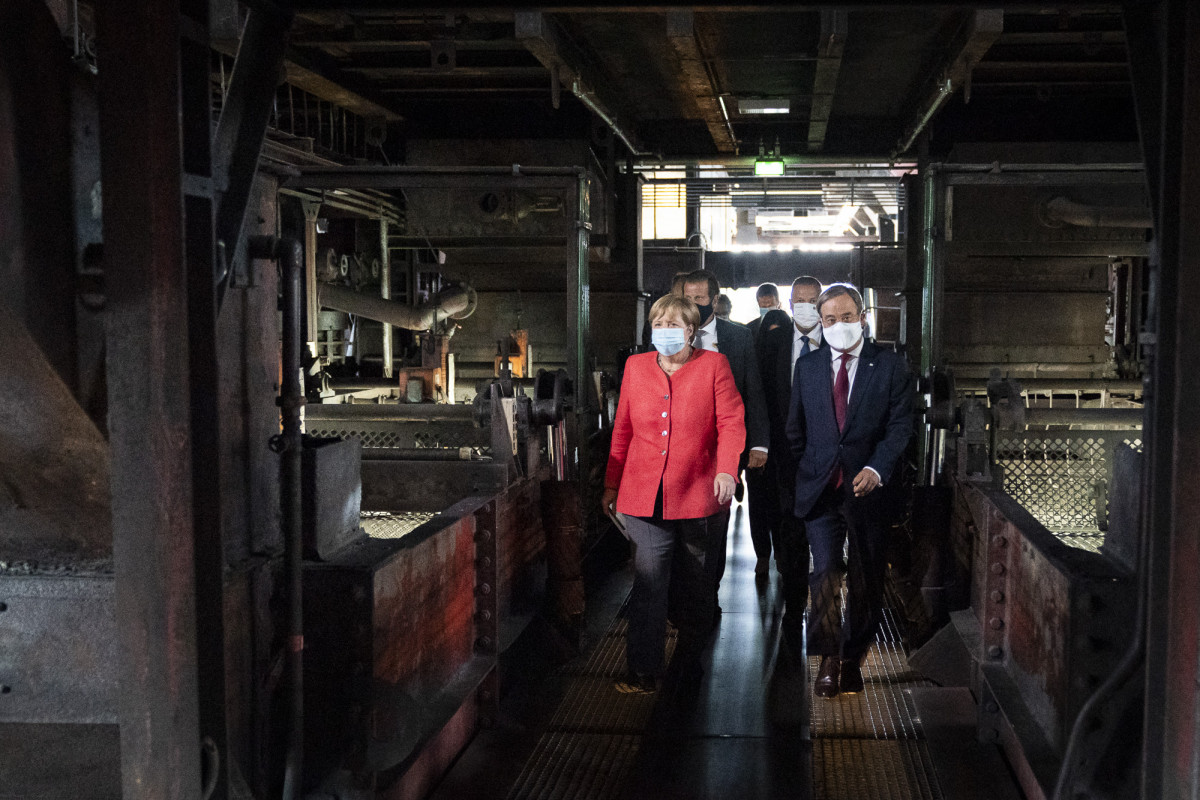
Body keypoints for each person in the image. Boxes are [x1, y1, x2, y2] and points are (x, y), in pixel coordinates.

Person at [603, 294, 746, 694]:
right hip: (643, 495)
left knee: (695, 586)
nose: (665, 331)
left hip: (699, 493)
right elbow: (623, 430)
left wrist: (726, 469)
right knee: (649, 582)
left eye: (674, 325)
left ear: (691, 331)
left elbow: (732, 422)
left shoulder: (714, 366)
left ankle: (688, 663)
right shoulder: (635, 367)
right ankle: (643, 670)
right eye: (659, 324)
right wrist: (611, 483)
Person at [785, 283, 913, 699]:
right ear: (819, 323)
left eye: (846, 316)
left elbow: (899, 427)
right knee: (823, 572)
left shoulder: (890, 367)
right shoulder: (808, 367)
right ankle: (826, 658)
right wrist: (811, 469)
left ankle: (853, 658)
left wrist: (877, 467)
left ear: (862, 316)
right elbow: (795, 430)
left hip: (868, 492)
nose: (837, 325)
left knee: (865, 577)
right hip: (822, 491)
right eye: (829, 319)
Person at [680, 270, 769, 609]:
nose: (691, 306)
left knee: (716, 520)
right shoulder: (669, 332)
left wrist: (759, 443)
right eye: (686, 299)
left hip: (724, 447)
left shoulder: (738, 337)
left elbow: (753, 390)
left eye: (698, 300)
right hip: (680, 446)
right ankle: (689, 595)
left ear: (714, 301)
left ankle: (708, 594)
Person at [758, 276, 827, 620]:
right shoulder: (772, 341)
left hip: (827, 455)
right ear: (788, 303)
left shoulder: (837, 342)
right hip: (784, 454)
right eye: (799, 299)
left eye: (813, 300)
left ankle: (826, 608)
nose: (806, 305)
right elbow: (760, 395)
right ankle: (795, 600)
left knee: (825, 529)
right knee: (789, 527)